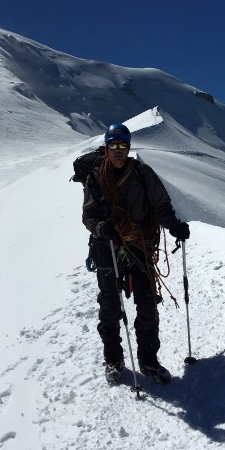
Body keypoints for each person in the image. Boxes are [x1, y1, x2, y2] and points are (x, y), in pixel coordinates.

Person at [82, 123, 190, 385]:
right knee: (109, 306)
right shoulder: (96, 177)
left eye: (122, 145)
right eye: (113, 145)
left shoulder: (142, 173)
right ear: (106, 148)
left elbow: (160, 204)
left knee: (148, 306)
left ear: (129, 148)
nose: (118, 150)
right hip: (107, 247)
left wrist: (174, 226)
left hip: (140, 246)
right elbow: (88, 216)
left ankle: (149, 361)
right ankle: (113, 359)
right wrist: (101, 227)